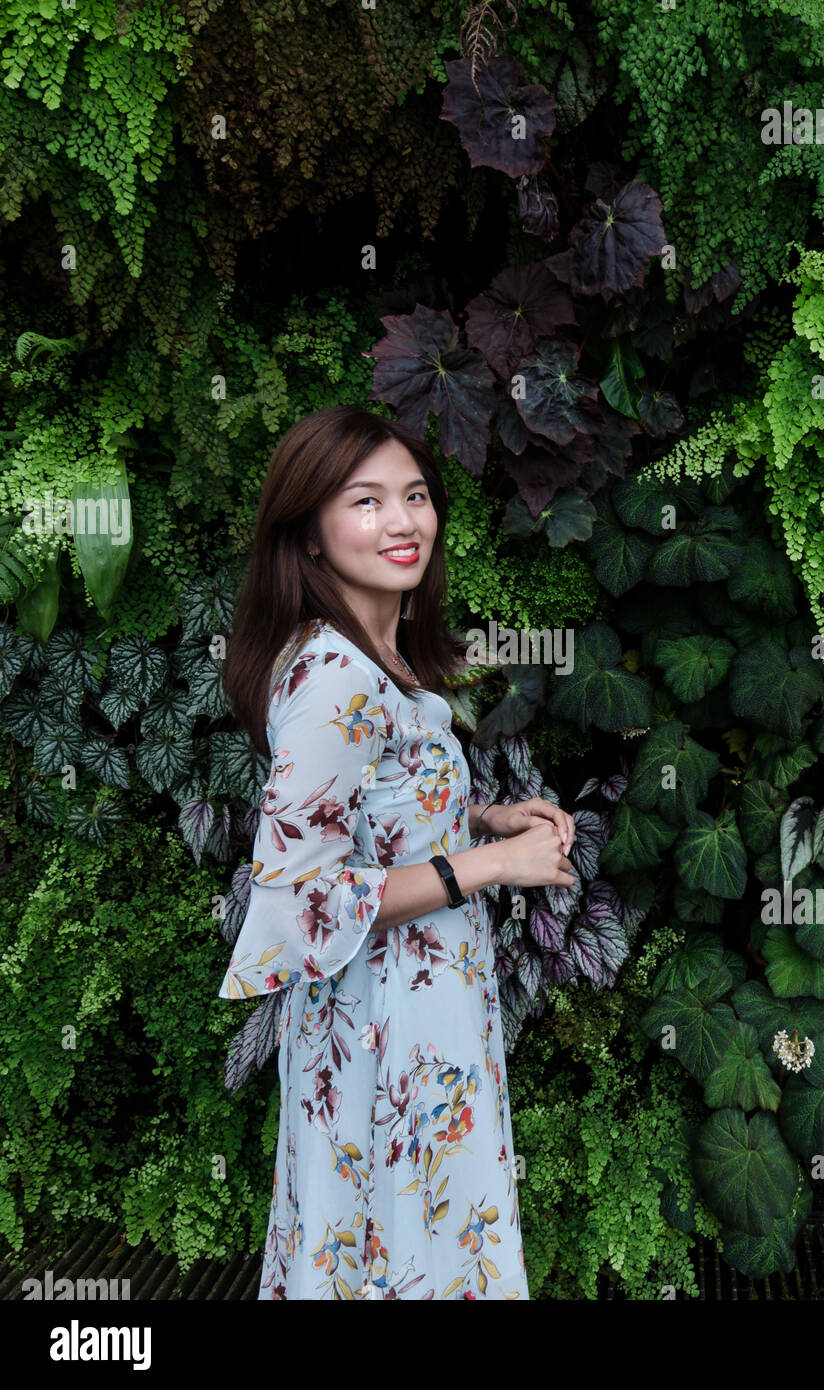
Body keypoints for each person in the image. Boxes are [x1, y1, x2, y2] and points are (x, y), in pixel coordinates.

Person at [218, 405, 576, 1300]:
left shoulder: (373, 651)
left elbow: (370, 812)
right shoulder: (334, 677)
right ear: (308, 534)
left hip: (419, 1008)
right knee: (399, 1240)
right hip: (384, 1025)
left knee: (409, 1234)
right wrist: (490, 868)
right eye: (366, 501)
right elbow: (301, 895)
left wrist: (483, 819)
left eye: (414, 496)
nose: (403, 521)